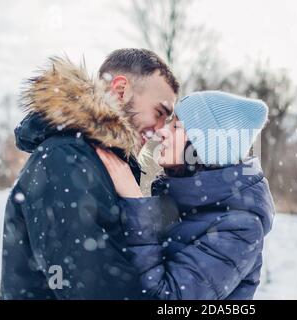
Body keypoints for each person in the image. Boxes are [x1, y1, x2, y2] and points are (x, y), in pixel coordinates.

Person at [0, 48, 179, 299]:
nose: (161, 131)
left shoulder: (98, 161)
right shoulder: (65, 159)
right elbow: (94, 289)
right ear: (120, 90)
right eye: (160, 113)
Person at [97, 91, 275, 299]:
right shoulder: (180, 203)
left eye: (176, 127)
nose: (162, 132)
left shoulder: (241, 228)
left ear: (204, 148)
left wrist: (136, 203)